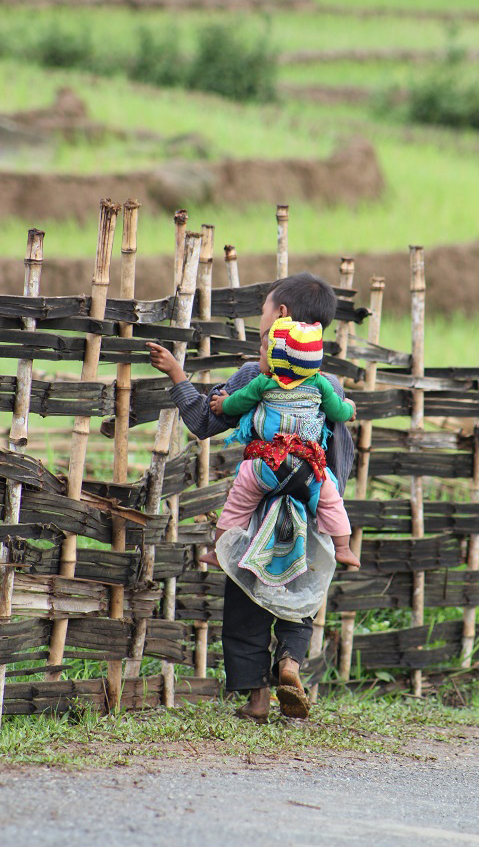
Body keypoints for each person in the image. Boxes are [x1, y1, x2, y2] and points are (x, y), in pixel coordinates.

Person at [147, 272, 356, 722]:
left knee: (247, 598)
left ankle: (257, 701)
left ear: (279, 314)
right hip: (310, 507)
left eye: (264, 306)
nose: (259, 314)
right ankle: (290, 664)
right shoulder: (327, 385)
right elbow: (341, 453)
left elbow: (205, 421)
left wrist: (180, 377)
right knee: (299, 592)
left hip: (257, 510)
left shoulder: (253, 375)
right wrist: (324, 504)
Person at [198, 316, 360, 573]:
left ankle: (220, 551)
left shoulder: (263, 383)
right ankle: (343, 548)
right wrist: (349, 406)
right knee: (330, 499)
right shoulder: (320, 384)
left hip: (266, 464)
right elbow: (338, 412)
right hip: (309, 469)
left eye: (263, 351)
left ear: (277, 359)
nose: (259, 355)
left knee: (239, 501)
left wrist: (222, 404)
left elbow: (237, 403)